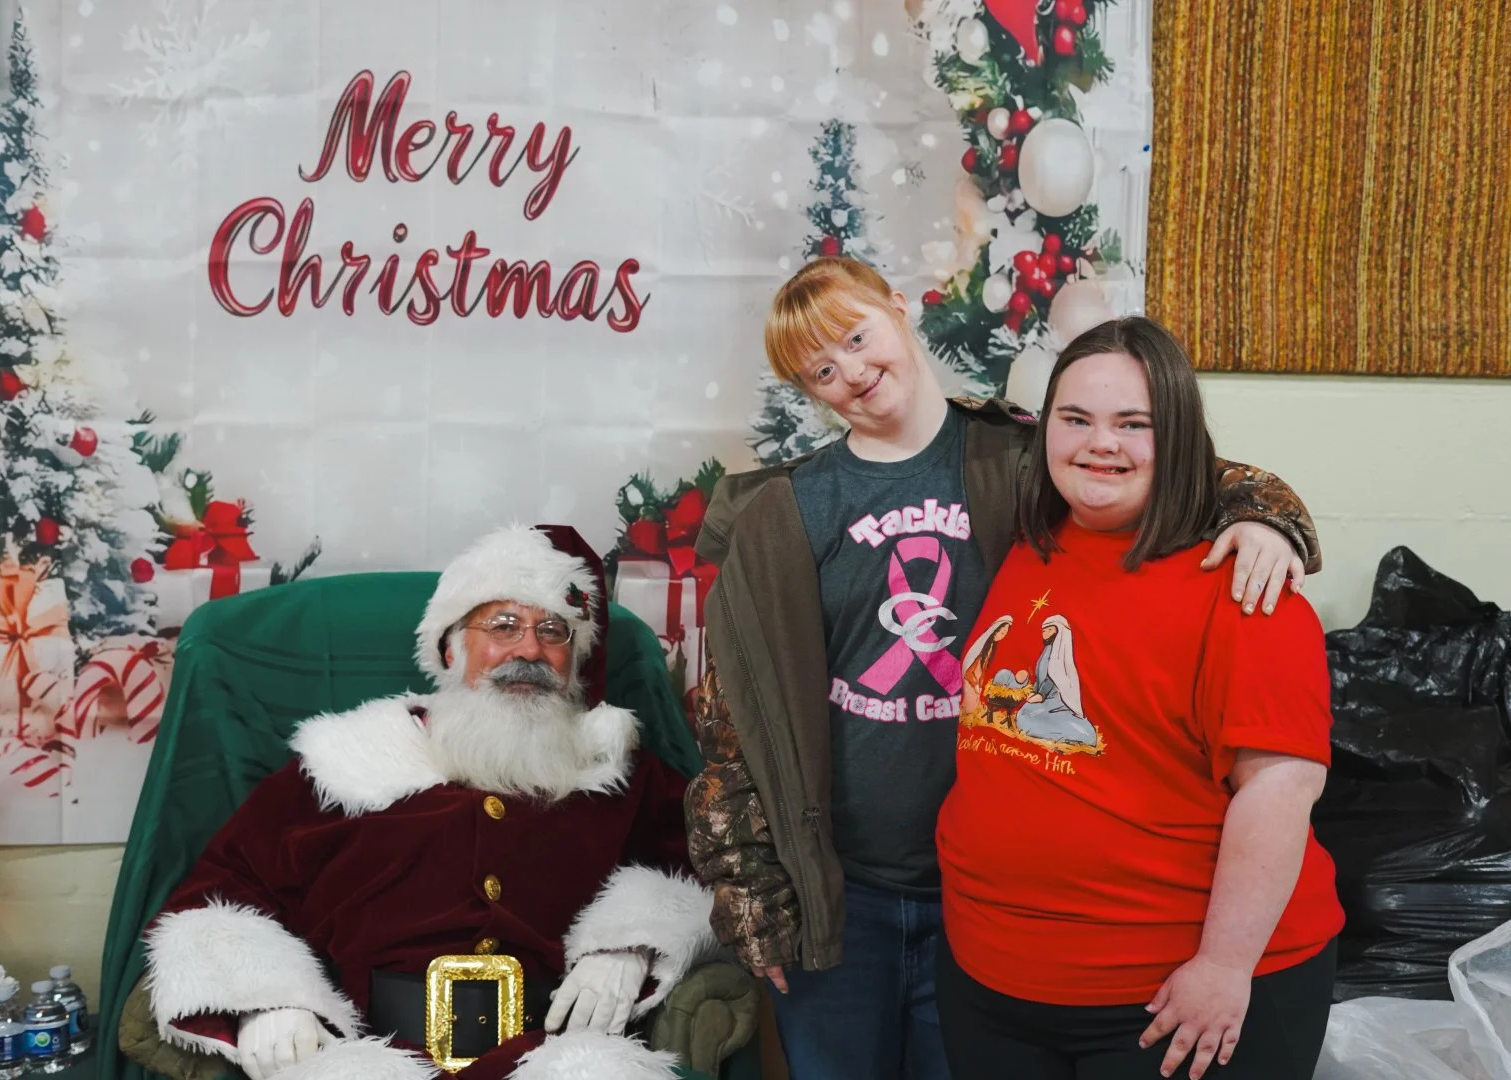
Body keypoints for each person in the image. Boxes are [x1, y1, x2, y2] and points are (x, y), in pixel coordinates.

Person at [684, 257, 1321, 1080]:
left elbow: (1165, 463)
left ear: (898, 308)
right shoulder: (787, 511)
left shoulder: (1021, 462)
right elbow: (736, 713)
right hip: (846, 891)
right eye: (821, 369)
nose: (853, 371)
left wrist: (1267, 519)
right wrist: (750, 883)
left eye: (855, 335)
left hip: (981, 911)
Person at [142, 524, 719, 1080]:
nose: (530, 650)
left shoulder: (616, 770)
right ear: (450, 650)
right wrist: (266, 1001)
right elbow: (217, 898)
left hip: (558, 1054)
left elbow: (705, 867)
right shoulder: (341, 765)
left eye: (554, 632)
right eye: (503, 625)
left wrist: (628, 946)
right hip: (369, 1055)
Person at [936, 317, 1343, 1080]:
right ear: (1045, 428)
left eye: (1135, 424)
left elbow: (1282, 785)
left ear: (1180, 438)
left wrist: (1224, 966)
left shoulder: (1245, 584)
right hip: (990, 979)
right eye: (1077, 419)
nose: (1101, 444)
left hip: (1166, 998)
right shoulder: (1028, 538)